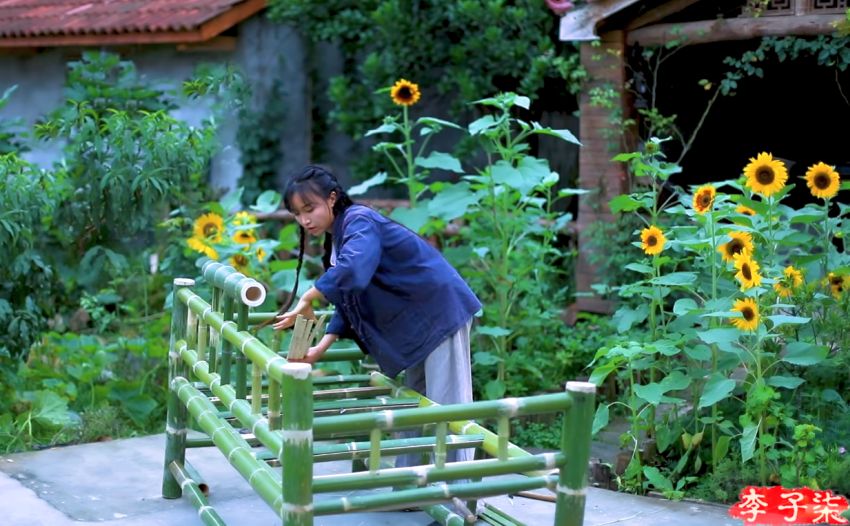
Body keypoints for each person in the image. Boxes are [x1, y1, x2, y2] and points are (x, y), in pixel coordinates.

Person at [272, 164, 481, 463]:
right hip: (418, 320)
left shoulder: (359, 221)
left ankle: (461, 497)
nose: (305, 220)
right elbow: (350, 296)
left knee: (448, 406)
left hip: (439, 312)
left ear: (332, 199)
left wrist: (309, 295)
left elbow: (354, 271)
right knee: (414, 405)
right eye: (297, 214)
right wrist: (320, 347)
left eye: (310, 208)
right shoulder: (339, 236)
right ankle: (411, 488)